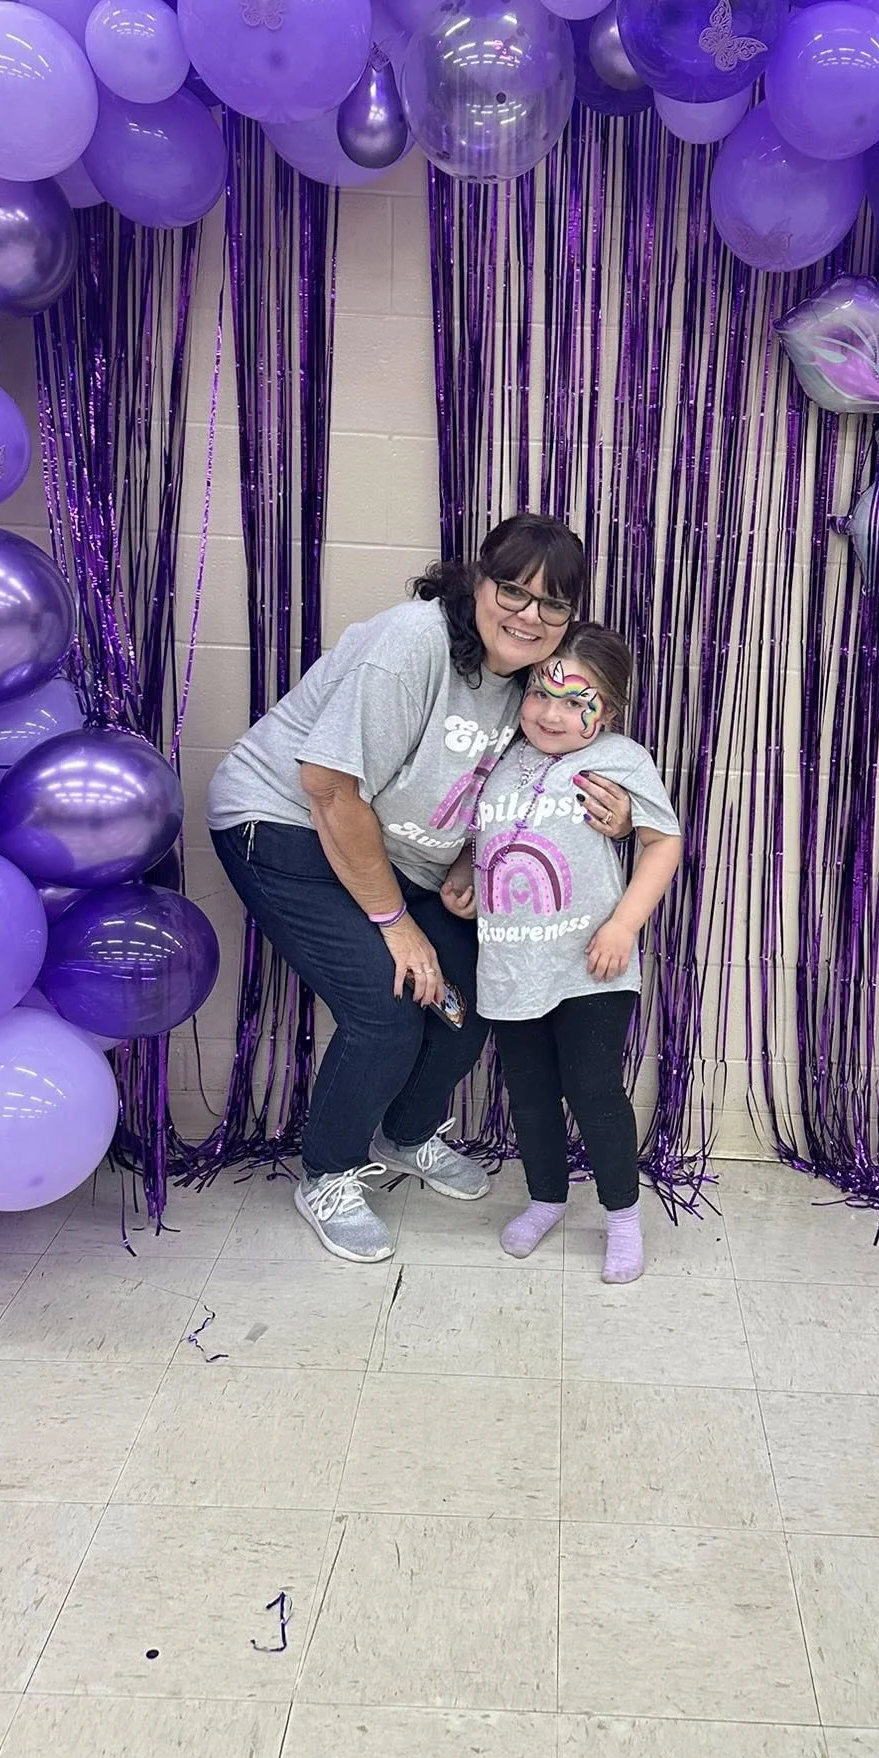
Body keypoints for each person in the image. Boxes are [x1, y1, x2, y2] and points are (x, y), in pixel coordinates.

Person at [208, 515, 633, 1264]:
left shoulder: (532, 681)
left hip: (402, 858)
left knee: (473, 1004)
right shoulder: (414, 642)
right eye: (513, 590)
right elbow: (329, 790)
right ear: (478, 581)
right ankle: (329, 1172)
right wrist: (396, 924)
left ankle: (403, 1133)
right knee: (387, 1008)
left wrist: (619, 813)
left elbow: (525, 778)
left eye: (553, 604)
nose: (529, 615)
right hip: (285, 825)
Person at [440, 625, 682, 1283]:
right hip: (512, 968)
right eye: (543, 694)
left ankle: (622, 1216)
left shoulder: (620, 759)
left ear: (608, 710)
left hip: (591, 967)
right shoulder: (503, 757)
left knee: (593, 1090)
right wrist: (465, 874)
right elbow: (482, 833)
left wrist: (622, 927)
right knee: (531, 1094)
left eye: (579, 702)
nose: (554, 714)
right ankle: (546, 1197)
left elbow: (664, 844)